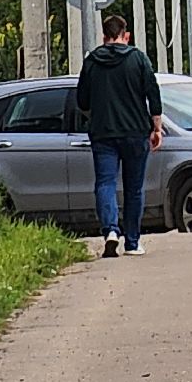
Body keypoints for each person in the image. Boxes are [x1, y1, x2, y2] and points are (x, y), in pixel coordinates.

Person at [76, 13, 162, 258]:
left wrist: (97, 112)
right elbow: (153, 96)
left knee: (105, 183)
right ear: (127, 35)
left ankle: (110, 231)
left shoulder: (92, 61)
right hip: (135, 133)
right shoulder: (138, 59)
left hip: (103, 133)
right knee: (134, 188)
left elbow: (81, 100)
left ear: (104, 37)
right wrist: (156, 127)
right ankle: (133, 243)